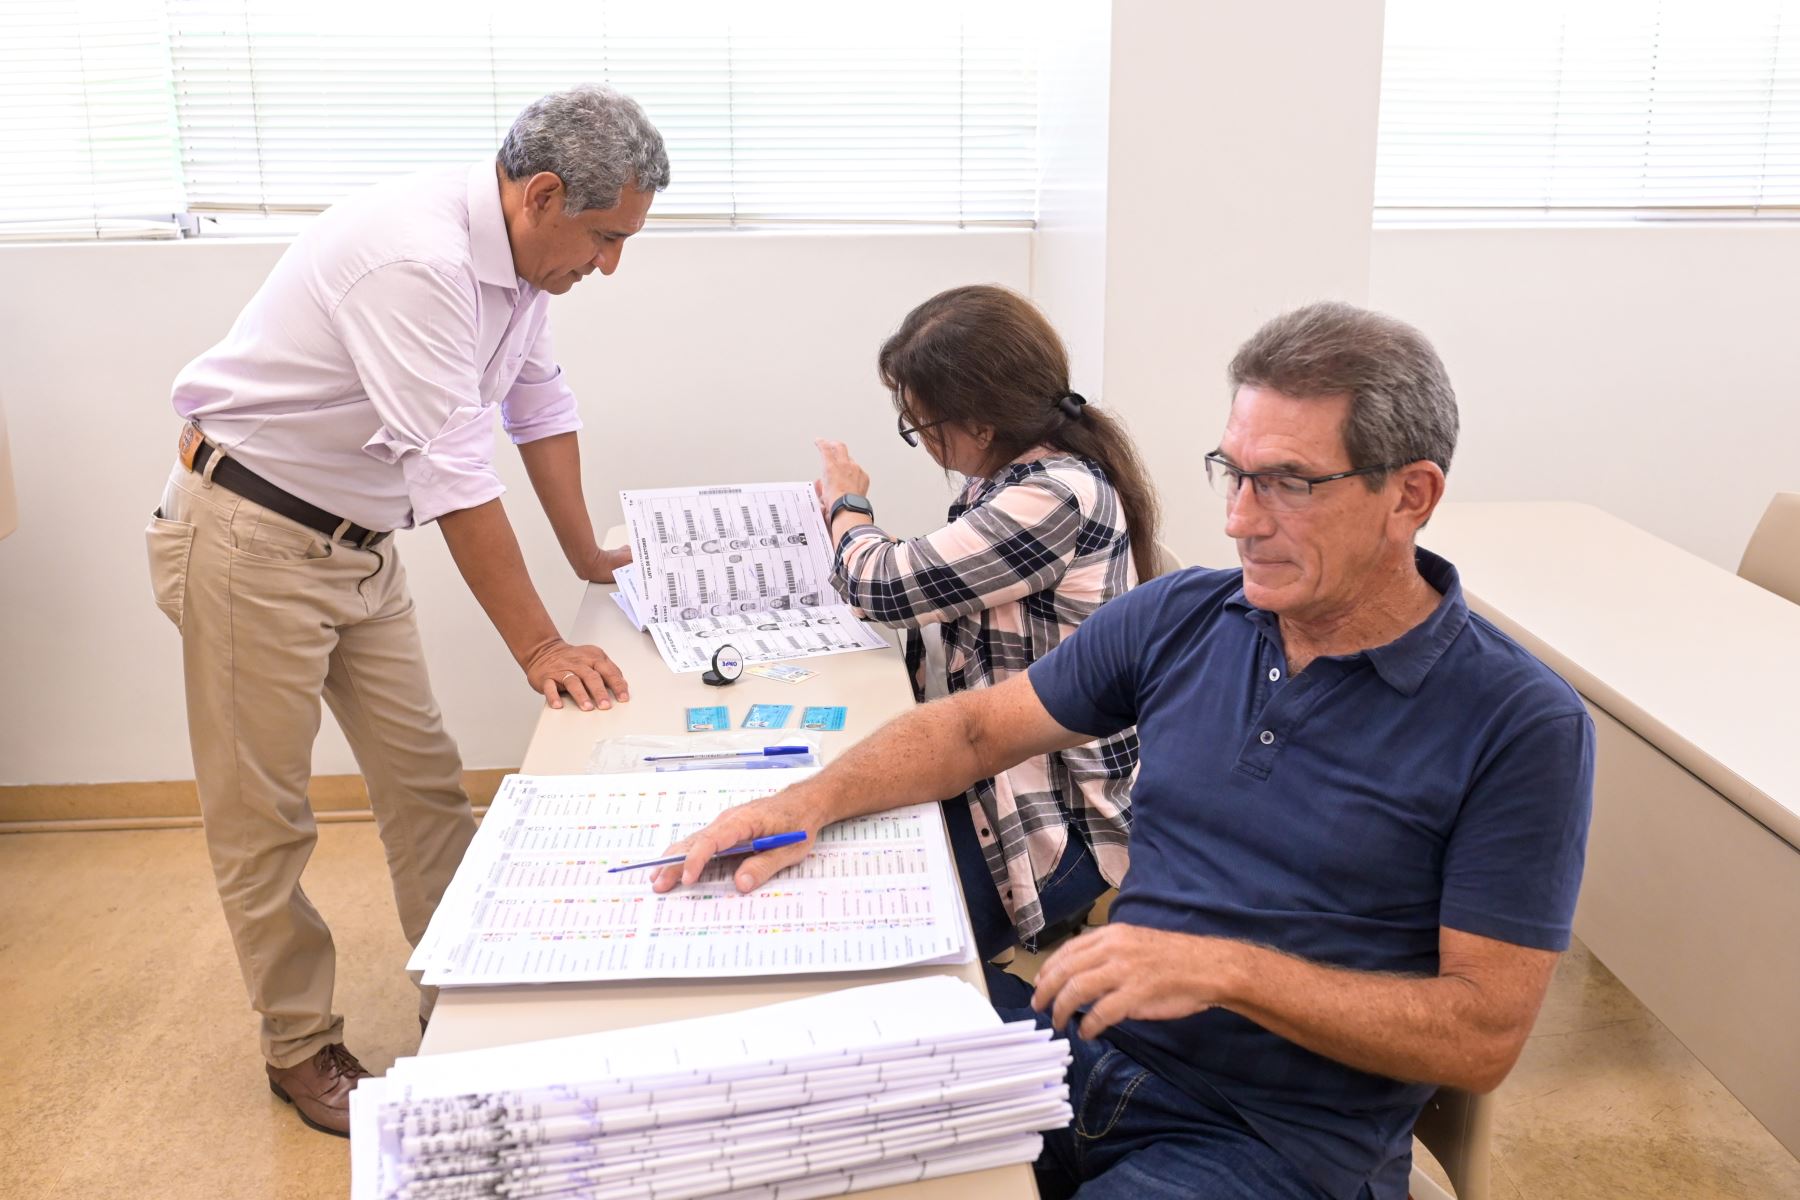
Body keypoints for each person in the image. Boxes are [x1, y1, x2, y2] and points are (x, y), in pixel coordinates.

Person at [656, 301, 1594, 1199]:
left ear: (1412, 496)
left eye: (1290, 484)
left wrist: (1228, 969)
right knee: (772, 1082)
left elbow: (1482, 1036)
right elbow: (976, 729)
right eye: (1233, 472)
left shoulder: (1518, 723)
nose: (1240, 519)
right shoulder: (1187, 616)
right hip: (1082, 1051)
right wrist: (803, 804)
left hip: (1260, 1139)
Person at [144, 85, 670, 1137]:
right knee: (266, 814)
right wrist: (538, 643)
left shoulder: (523, 269)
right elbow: (456, 474)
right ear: (544, 193)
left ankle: (465, 1002)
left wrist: (585, 556)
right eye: (605, 237)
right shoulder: (415, 260)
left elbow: (537, 408)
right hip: (250, 537)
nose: (608, 265)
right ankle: (299, 1046)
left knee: (427, 782)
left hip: (358, 546)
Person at [812, 284, 1160, 959]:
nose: (921, 444)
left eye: (922, 426)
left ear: (981, 424)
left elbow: (882, 585)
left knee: (877, 938)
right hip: (992, 771)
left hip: (1049, 825)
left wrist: (845, 503)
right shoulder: (1010, 477)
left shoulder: (1055, 497)